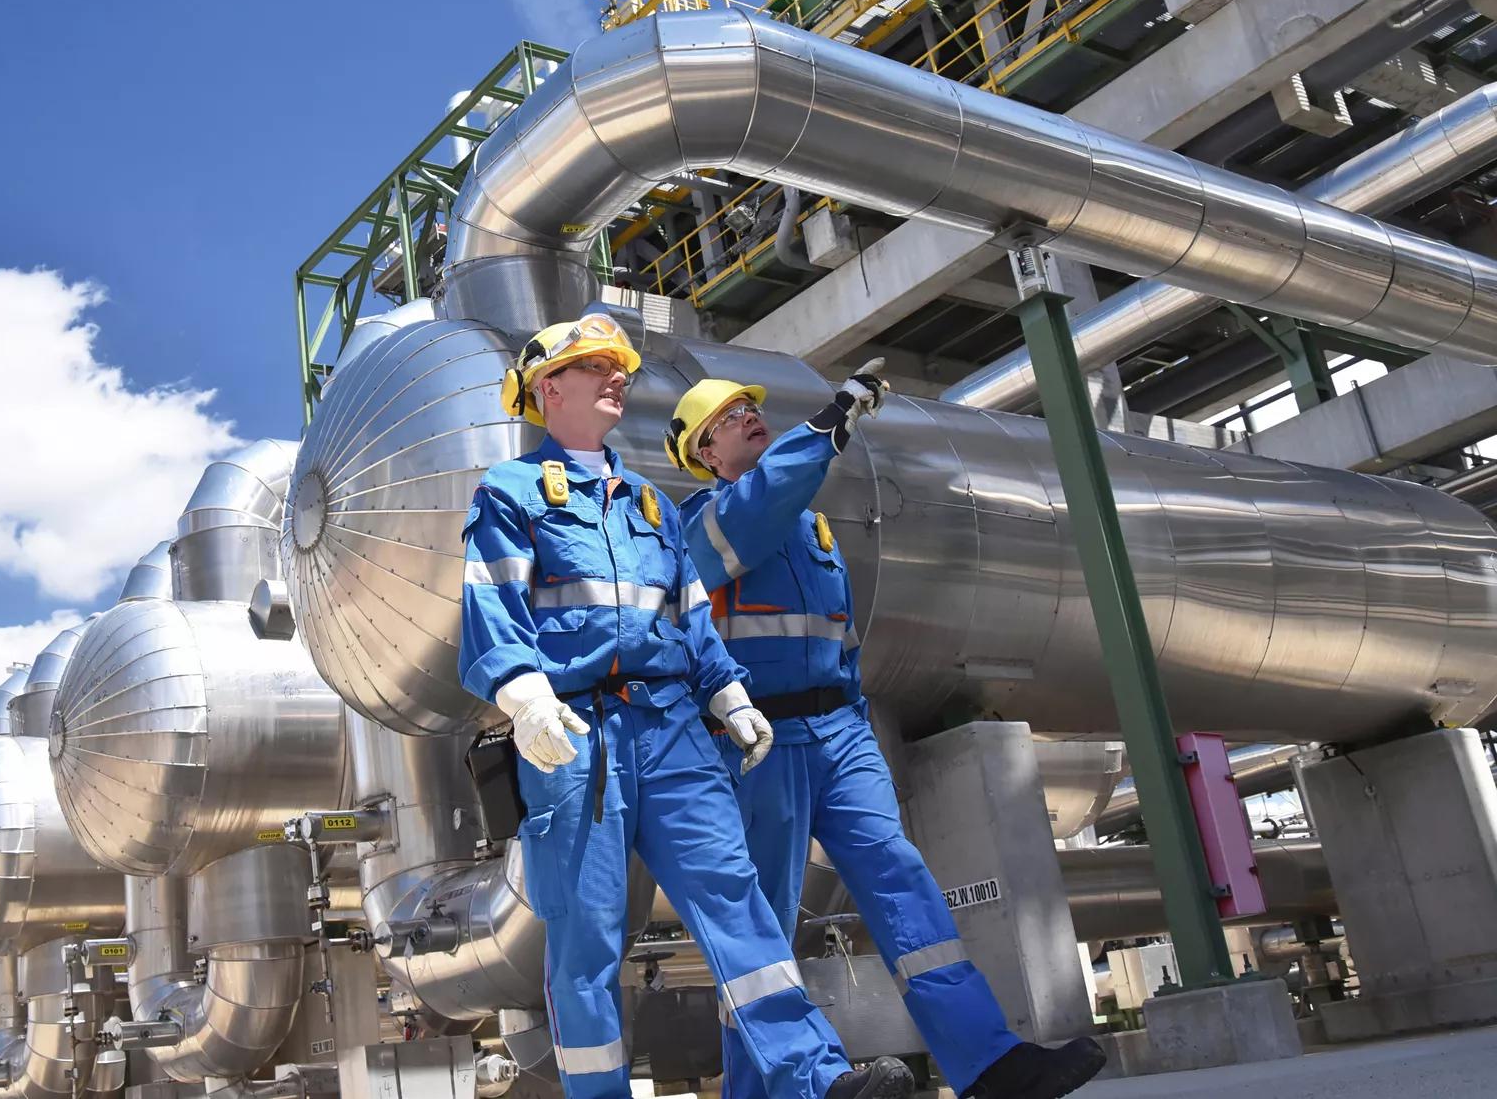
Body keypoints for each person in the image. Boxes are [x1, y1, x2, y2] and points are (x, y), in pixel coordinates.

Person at [460, 314, 914, 1099]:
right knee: (587, 936)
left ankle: (814, 1079)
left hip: (672, 727)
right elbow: (492, 606)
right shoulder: (511, 493)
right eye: (596, 365)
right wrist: (525, 693)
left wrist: (729, 692)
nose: (617, 377)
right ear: (547, 388)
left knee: (735, 898)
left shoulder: (651, 505)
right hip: (574, 734)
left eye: (620, 366)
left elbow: (691, 616)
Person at [667, 370, 1108, 1099]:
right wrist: (829, 423)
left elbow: (835, 631)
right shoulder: (706, 523)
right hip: (759, 740)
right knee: (762, 927)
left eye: (752, 407)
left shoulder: (810, 524)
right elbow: (761, 504)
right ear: (703, 452)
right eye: (730, 416)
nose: (750, 417)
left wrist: (853, 708)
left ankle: (989, 1062)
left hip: (840, 730)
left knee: (902, 881)